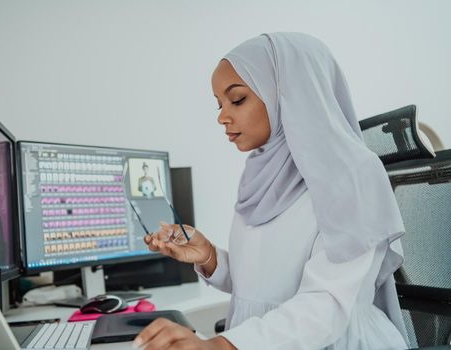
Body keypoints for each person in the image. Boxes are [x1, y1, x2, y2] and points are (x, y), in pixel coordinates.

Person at [133, 32, 409, 350]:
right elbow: (262, 288)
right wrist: (209, 256)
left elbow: (325, 308)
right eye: (219, 104)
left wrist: (219, 346)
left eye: (237, 99)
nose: (222, 116)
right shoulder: (262, 173)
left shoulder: (354, 174)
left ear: (290, 92)